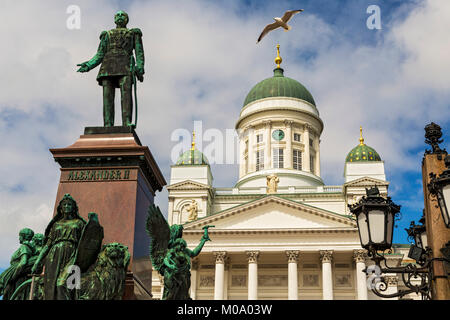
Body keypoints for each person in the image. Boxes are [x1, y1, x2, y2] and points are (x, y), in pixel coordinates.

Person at [77, 10, 144, 127]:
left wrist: (140, 67)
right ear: (114, 19)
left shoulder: (133, 33)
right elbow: (100, 54)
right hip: (108, 66)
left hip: (126, 65)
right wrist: (88, 65)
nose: (119, 17)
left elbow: (139, 52)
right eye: (117, 15)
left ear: (126, 19)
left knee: (126, 95)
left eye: (122, 15)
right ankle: (108, 124)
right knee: (107, 98)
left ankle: (126, 123)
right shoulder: (107, 34)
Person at [31, 194, 86, 300]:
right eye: (64, 204)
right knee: (51, 286)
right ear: (60, 208)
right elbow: (48, 245)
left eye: (69, 204)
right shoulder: (56, 224)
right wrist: (38, 261)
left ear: (74, 208)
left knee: (62, 284)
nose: (66, 207)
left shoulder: (79, 223)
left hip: (71, 253)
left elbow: (85, 241)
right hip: (54, 255)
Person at [0, 228, 35, 300]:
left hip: (16, 275)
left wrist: (13, 276)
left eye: (20, 235)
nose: (19, 238)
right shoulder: (28, 247)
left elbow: (23, 262)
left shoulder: (24, 247)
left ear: (23, 236)